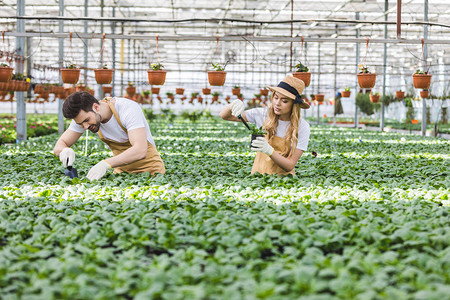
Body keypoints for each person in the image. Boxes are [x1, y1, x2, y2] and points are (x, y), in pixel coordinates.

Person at [53, 91, 165, 180]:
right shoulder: (82, 118)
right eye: (80, 124)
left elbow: (140, 150)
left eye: (87, 120)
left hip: (151, 174)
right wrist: (64, 150)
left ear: (96, 107)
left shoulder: (127, 109)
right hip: (122, 175)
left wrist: (105, 164)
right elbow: (59, 145)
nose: (85, 127)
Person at [220, 75, 311, 175]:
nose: (277, 103)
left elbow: (289, 165)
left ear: (294, 104)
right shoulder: (262, 114)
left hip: (285, 183)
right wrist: (232, 105)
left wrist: (269, 150)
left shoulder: (302, 127)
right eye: (276, 97)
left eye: (284, 101)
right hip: (258, 178)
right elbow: (225, 116)